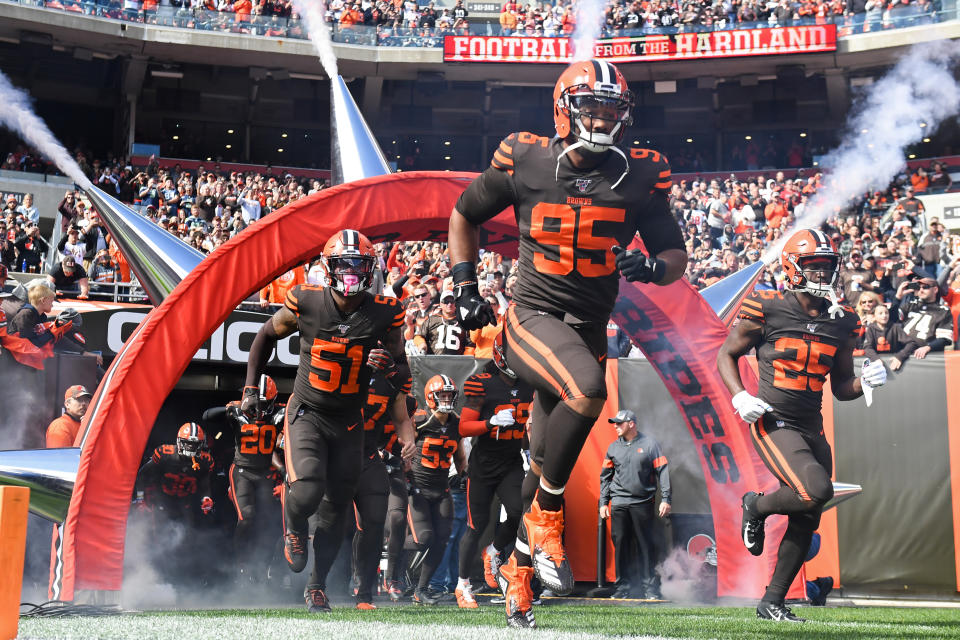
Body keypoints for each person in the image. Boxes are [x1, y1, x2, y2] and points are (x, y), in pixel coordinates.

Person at [448, 58, 687, 628]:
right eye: (591, 106)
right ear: (564, 108)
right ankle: (548, 516)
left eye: (612, 108)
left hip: (585, 329)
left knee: (543, 465)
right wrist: (463, 286)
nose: (602, 117)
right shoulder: (526, 155)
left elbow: (675, 257)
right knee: (587, 391)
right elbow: (464, 213)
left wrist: (651, 266)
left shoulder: (642, 172)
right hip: (531, 316)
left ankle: (519, 576)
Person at [716, 229, 888, 623]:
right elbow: (727, 354)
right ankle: (755, 505)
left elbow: (842, 387)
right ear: (793, 267)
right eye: (814, 265)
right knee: (815, 491)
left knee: (810, 512)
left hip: (813, 424)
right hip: (772, 419)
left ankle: (772, 601)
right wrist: (740, 395)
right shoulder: (768, 306)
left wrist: (866, 382)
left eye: (828, 266)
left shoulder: (844, 320)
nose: (823, 273)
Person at [242, 229, 416, 613]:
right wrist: (251, 388)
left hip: (349, 422)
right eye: (345, 265)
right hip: (308, 412)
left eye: (360, 266)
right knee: (306, 488)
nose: (352, 274)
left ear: (371, 271)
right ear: (329, 267)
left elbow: (403, 374)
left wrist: (390, 367)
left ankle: (317, 587)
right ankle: (294, 527)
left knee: (337, 510)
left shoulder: (385, 313)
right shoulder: (307, 301)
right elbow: (264, 336)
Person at [455, 330, 534, 609]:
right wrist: (490, 423)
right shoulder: (482, 383)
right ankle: (462, 584)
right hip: (484, 465)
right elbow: (463, 427)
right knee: (475, 527)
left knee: (519, 513)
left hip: (511, 461)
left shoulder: (529, 384)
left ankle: (495, 551)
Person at [202, 375, 284, 584]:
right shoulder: (238, 411)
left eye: (265, 404)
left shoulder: (280, 412)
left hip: (265, 473)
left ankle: (263, 565)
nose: (260, 409)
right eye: (257, 403)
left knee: (267, 521)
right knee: (246, 517)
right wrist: (232, 408)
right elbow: (207, 415)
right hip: (242, 471)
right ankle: (241, 564)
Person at [351, 353, 413, 610]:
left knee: (396, 519)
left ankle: (392, 578)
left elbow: (407, 428)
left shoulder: (402, 401)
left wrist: (407, 449)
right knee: (359, 524)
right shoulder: (360, 394)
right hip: (361, 459)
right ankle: (355, 574)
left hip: (390, 466)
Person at [406, 374, 467, 605]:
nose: (447, 399)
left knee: (441, 540)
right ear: (431, 397)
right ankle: (392, 553)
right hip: (419, 487)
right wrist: (407, 477)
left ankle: (421, 590)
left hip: (442, 490)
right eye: (443, 395)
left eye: (450, 395)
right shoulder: (420, 420)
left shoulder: (456, 423)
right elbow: (405, 446)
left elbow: (460, 457)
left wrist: (463, 475)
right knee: (425, 538)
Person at [599, 409, 672, 600]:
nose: (615, 426)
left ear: (631, 424)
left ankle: (651, 589)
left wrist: (666, 499)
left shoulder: (649, 444)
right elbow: (605, 478)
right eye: (614, 423)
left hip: (643, 503)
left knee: (646, 546)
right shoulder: (613, 448)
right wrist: (603, 503)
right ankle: (623, 588)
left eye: (619, 423)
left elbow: (662, 471)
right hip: (619, 504)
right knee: (621, 544)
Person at [894, 274, 954, 359]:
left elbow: (944, 339)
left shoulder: (943, 311)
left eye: (925, 287)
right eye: (918, 287)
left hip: (924, 357)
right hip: (901, 351)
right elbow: (890, 318)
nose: (921, 290)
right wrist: (897, 298)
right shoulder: (910, 306)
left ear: (935, 289)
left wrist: (928, 347)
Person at [412, 289, 475, 355]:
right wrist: (422, 344)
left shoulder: (463, 321)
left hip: (457, 362)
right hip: (435, 361)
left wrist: (467, 357)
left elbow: (470, 343)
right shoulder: (431, 320)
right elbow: (419, 336)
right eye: (446, 301)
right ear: (440, 304)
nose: (449, 304)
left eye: (452, 301)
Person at [863, 304, 921, 372]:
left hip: (895, 364)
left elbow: (911, 343)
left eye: (886, 313)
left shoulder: (895, 327)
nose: (884, 315)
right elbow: (867, 347)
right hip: (878, 365)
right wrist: (875, 359)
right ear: (874, 316)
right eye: (880, 313)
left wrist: (900, 356)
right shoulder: (871, 329)